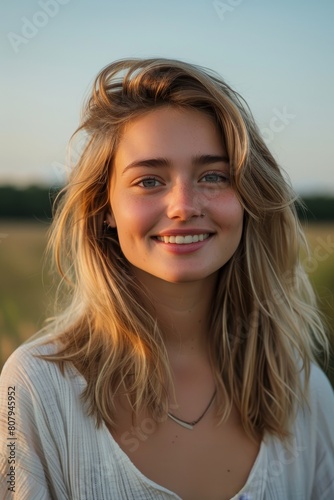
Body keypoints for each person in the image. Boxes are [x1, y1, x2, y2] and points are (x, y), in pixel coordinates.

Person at [0, 58, 333, 500]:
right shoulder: (35, 389)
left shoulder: (303, 390)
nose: (183, 205)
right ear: (105, 209)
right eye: (149, 180)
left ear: (249, 198)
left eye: (214, 176)